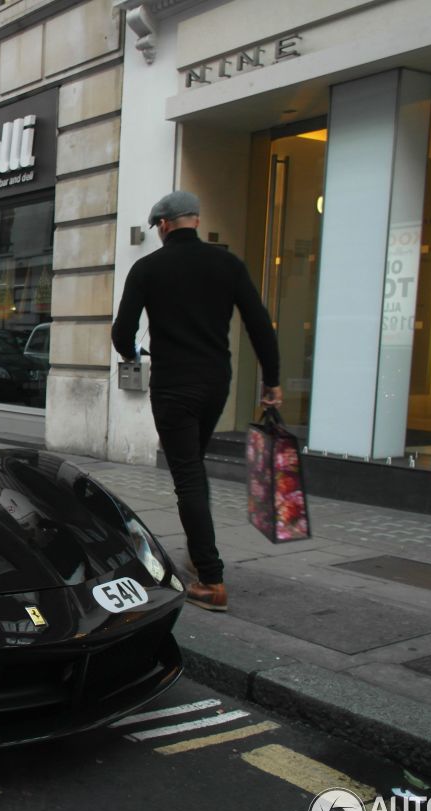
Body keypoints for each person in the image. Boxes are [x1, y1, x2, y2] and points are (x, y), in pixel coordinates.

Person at [112, 190, 282, 614]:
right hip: (215, 383)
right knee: (194, 468)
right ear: (196, 220)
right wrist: (272, 383)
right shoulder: (227, 264)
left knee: (187, 475)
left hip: (173, 385)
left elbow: (122, 331)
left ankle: (210, 578)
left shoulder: (149, 268)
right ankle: (200, 553)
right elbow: (260, 324)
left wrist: (133, 355)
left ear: (165, 225)